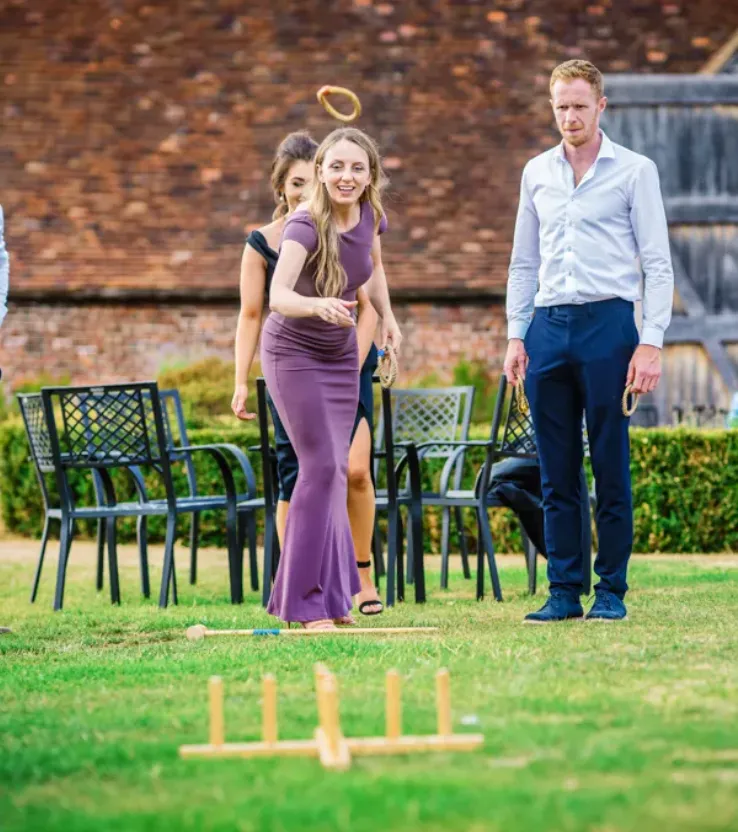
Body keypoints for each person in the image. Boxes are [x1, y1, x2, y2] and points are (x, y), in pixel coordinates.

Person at [504, 60, 674, 623]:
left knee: (609, 462)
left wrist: (650, 342)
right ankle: (562, 591)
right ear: (551, 109)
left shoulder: (634, 171)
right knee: (555, 470)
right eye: (560, 107)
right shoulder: (536, 173)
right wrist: (515, 334)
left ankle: (611, 591)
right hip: (548, 328)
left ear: (601, 106)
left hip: (610, 326)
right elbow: (524, 263)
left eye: (579, 105)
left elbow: (656, 263)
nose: (569, 116)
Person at [231, 130, 385, 623]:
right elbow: (277, 297)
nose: (347, 176)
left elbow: (372, 272)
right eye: (337, 166)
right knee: (318, 468)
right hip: (293, 351)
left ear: (370, 175)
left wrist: (391, 320)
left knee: (337, 472)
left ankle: (335, 599)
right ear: (320, 170)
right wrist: (316, 303)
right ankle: (301, 601)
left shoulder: (369, 217)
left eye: (357, 168)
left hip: (341, 356)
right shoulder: (304, 225)